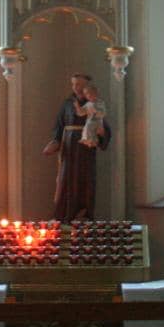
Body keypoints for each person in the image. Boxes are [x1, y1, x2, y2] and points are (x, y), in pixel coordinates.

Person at [42, 73, 111, 221]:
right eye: (74, 84)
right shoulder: (67, 103)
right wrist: (55, 141)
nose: (76, 88)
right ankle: (63, 215)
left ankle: (83, 215)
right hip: (69, 147)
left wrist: (102, 133)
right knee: (65, 180)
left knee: (85, 180)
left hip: (86, 147)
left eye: (79, 85)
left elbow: (102, 124)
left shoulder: (95, 103)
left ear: (87, 86)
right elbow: (59, 125)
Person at [74, 82, 106, 147]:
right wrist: (77, 107)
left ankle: (93, 141)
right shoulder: (88, 104)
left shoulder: (100, 102)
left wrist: (96, 111)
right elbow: (81, 113)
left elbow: (102, 112)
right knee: (86, 128)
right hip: (90, 120)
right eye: (86, 94)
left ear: (96, 93)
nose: (88, 95)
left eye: (90, 93)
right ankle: (87, 140)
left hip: (97, 121)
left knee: (90, 127)